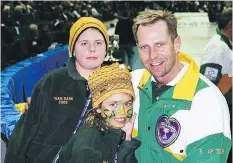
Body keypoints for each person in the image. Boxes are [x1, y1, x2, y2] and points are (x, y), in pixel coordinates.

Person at [131, 9, 231, 163]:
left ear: (176, 44)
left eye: (160, 44)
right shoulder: (132, 84)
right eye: (144, 47)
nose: (152, 56)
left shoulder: (207, 101)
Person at [5, 17, 109, 163]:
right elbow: (24, 133)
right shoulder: (52, 82)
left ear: (106, 48)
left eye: (98, 43)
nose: (92, 49)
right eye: (84, 43)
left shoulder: (114, 87)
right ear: (73, 48)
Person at [56, 63, 140, 163]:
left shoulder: (118, 131)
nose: (122, 112)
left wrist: (127, 139)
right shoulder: (88, 144)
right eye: (113, 105)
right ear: (98, 108)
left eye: (127, 104)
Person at [200, 7, 232, 115]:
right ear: (230, 25)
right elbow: (208, 81)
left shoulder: (228, 42)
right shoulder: (217, 47)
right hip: (224, 107)